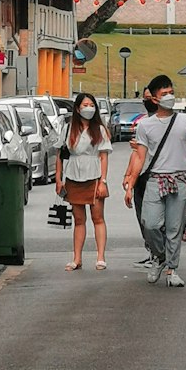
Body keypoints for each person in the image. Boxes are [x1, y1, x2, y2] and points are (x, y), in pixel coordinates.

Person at [123, 81, 186, 288]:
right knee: (150, 224)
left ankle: (172, 269)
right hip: (154, 180)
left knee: (174, 228)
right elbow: (140, 157)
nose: (170, 96)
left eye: (172, 92)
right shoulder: (145, 125)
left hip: (179, 180)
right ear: (154, 98)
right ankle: (160, 257)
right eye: (165, 93)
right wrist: (131, 183)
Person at [55, 91, 113, 272]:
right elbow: (60, 155)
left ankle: (100, 257)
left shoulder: (100, 129)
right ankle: (77, 258)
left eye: (91, 105)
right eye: (84, 105)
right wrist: (58, 179)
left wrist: (103, 180)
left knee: (98, 217)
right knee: (78, 219)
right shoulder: (68, 128)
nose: (88, 108)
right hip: (73, 175)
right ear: (77, 109)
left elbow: (104, 156)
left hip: (94, 175)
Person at [130, 75, 173, 265]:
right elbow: (138, 155)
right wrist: (128, 176)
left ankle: (165, 257)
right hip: (142, 176)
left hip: (162, 176)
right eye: (145, 99)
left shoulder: (171, 122)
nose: (148, 102)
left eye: (150, 98)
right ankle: (154, 252)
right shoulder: (143, 124)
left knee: (162, 221)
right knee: (145, 220)